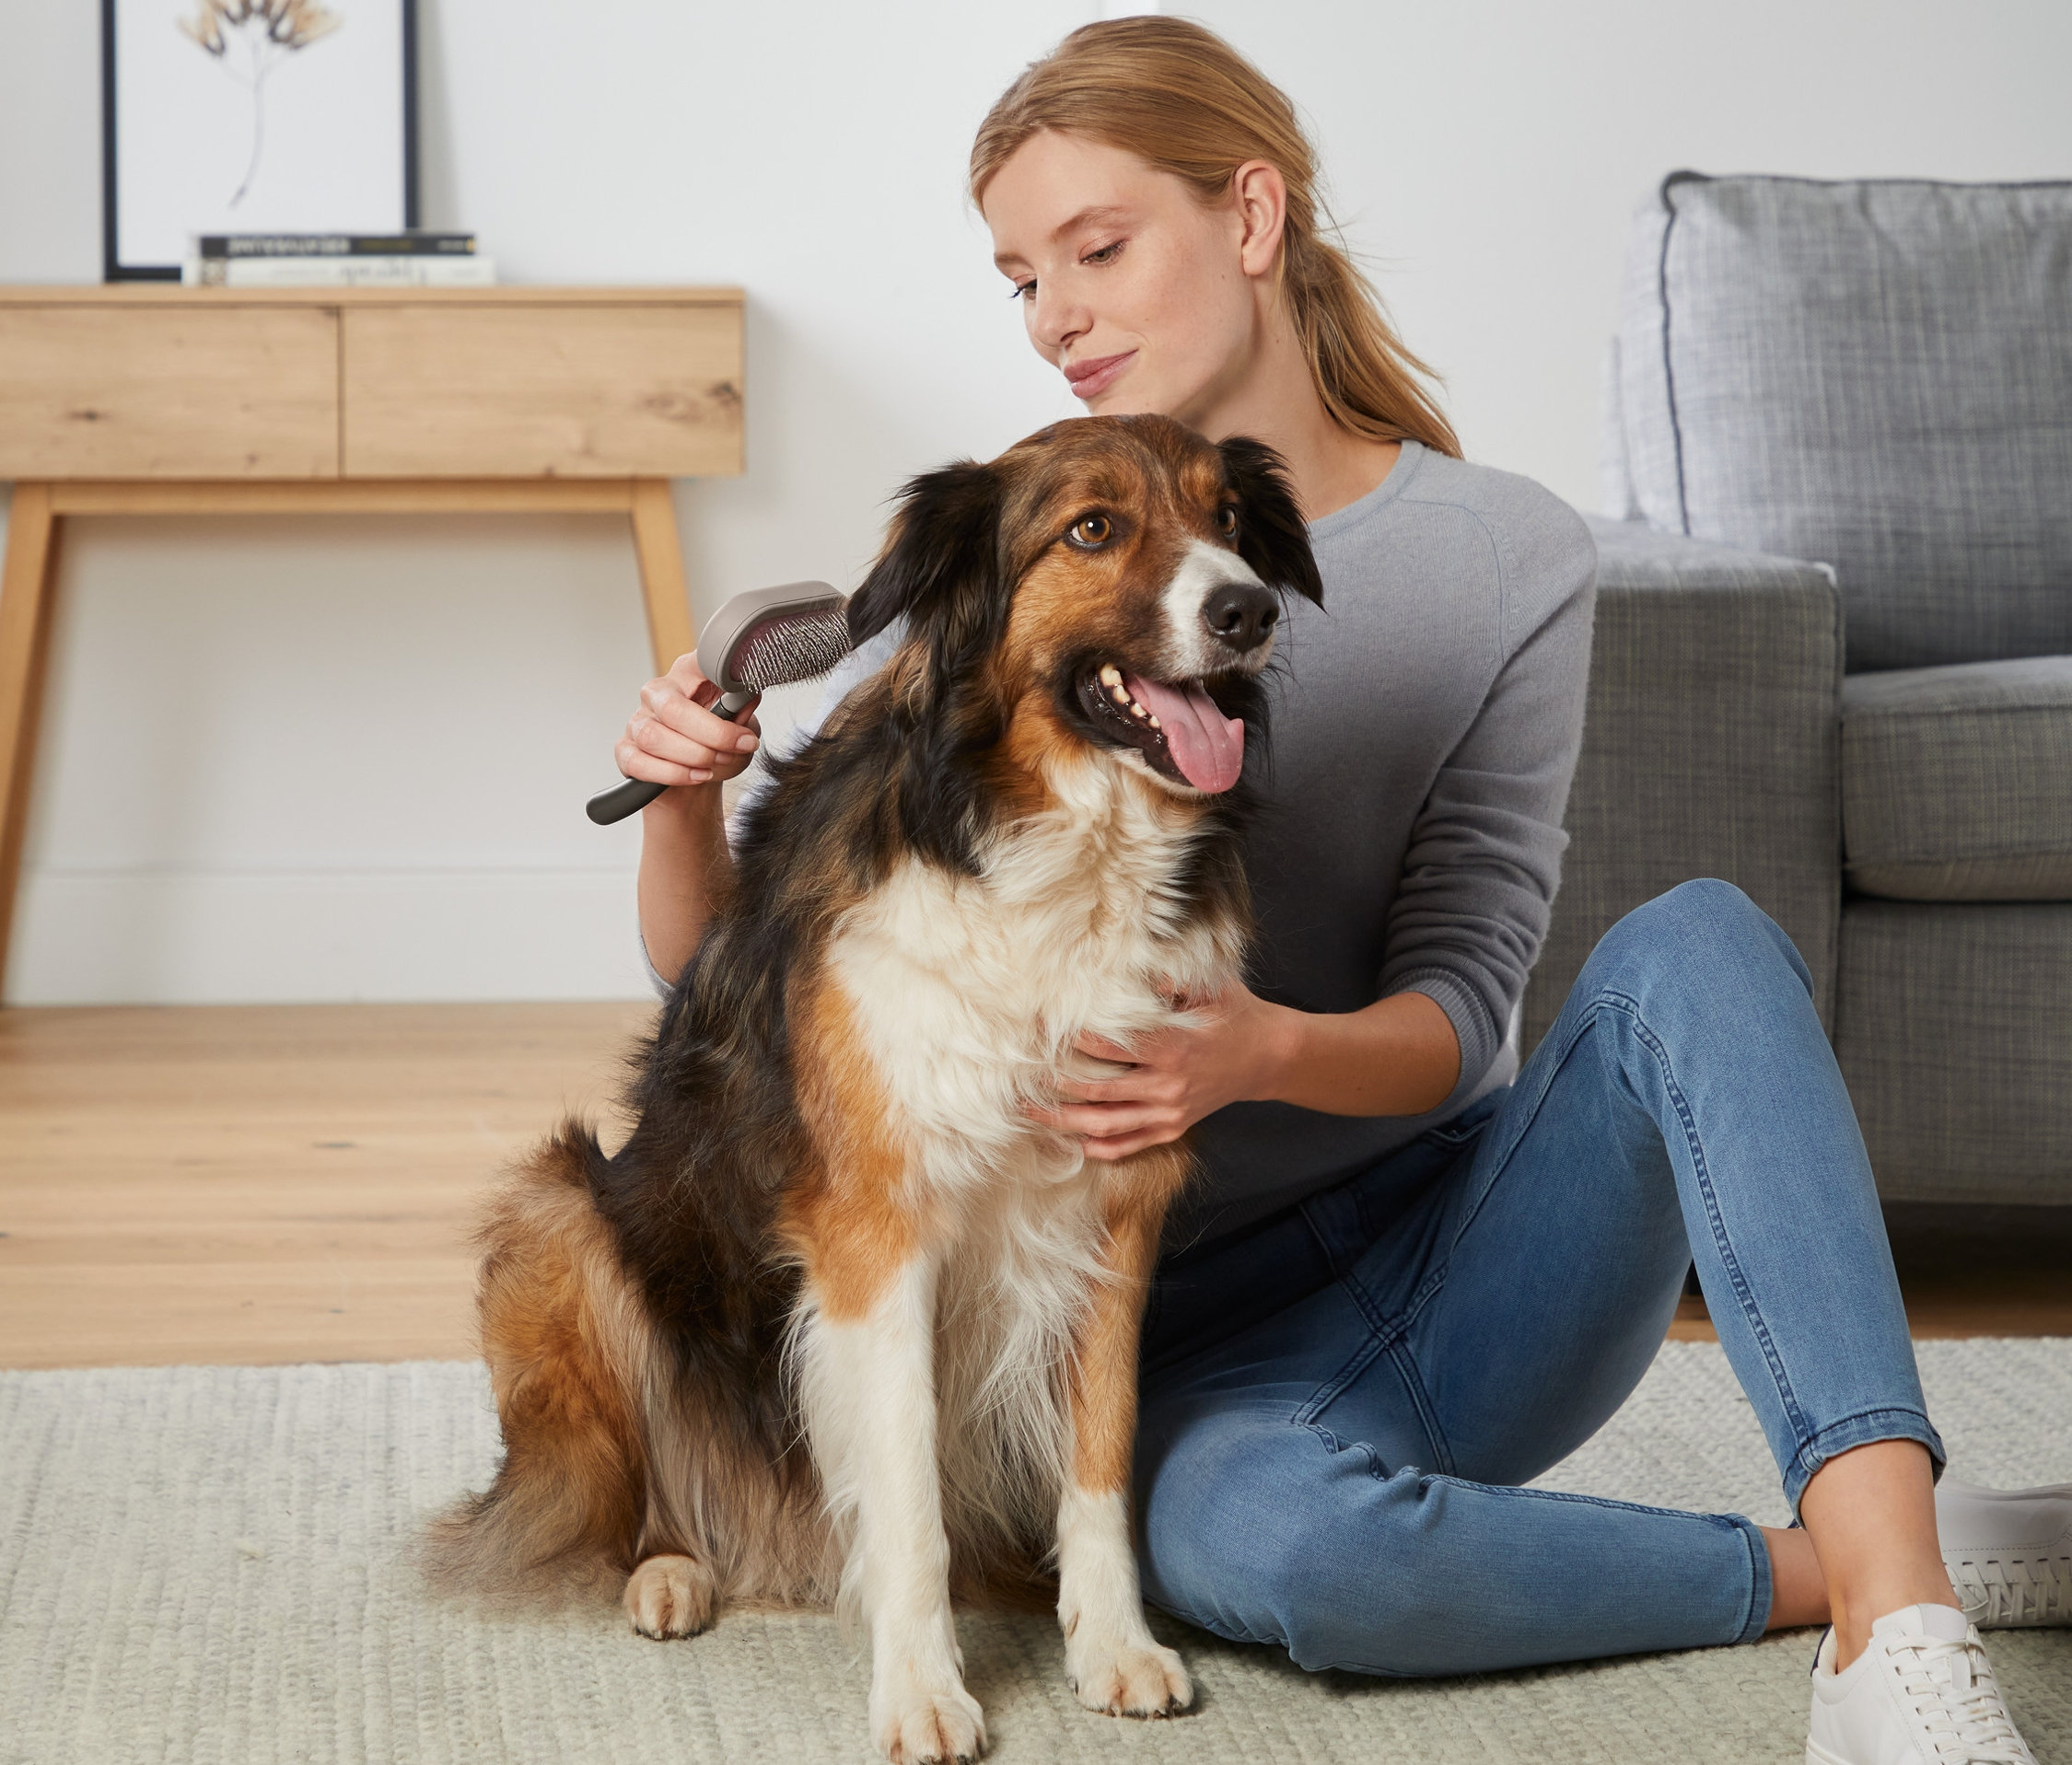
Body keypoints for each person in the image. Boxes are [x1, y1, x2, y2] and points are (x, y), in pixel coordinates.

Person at [614, 19, 2068, 1761]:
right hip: (1150, 1340)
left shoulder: (1504, 553)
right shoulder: (1026, 543)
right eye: (1019, 278)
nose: (1055, 314)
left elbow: (1465, 1008)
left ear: (1249, 216)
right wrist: (683, 802)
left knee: (1696, 942)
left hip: (1451, 1253)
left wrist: (1257, 1051)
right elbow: (737, 998)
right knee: (1291, 1559)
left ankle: (1897, 1621)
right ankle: (1854, 1559)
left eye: (1096, 247)